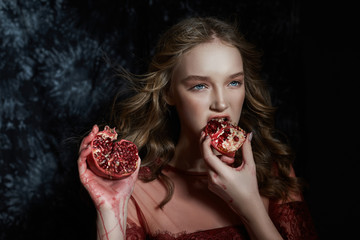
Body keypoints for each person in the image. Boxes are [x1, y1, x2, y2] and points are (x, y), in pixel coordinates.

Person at [78, 17, 317, 240]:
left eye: (234, 82)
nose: (222, 104)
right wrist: (110, 211)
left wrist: (251, 207)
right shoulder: (136, 190)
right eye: (200, 86)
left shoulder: (276, 170)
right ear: (169, 93)